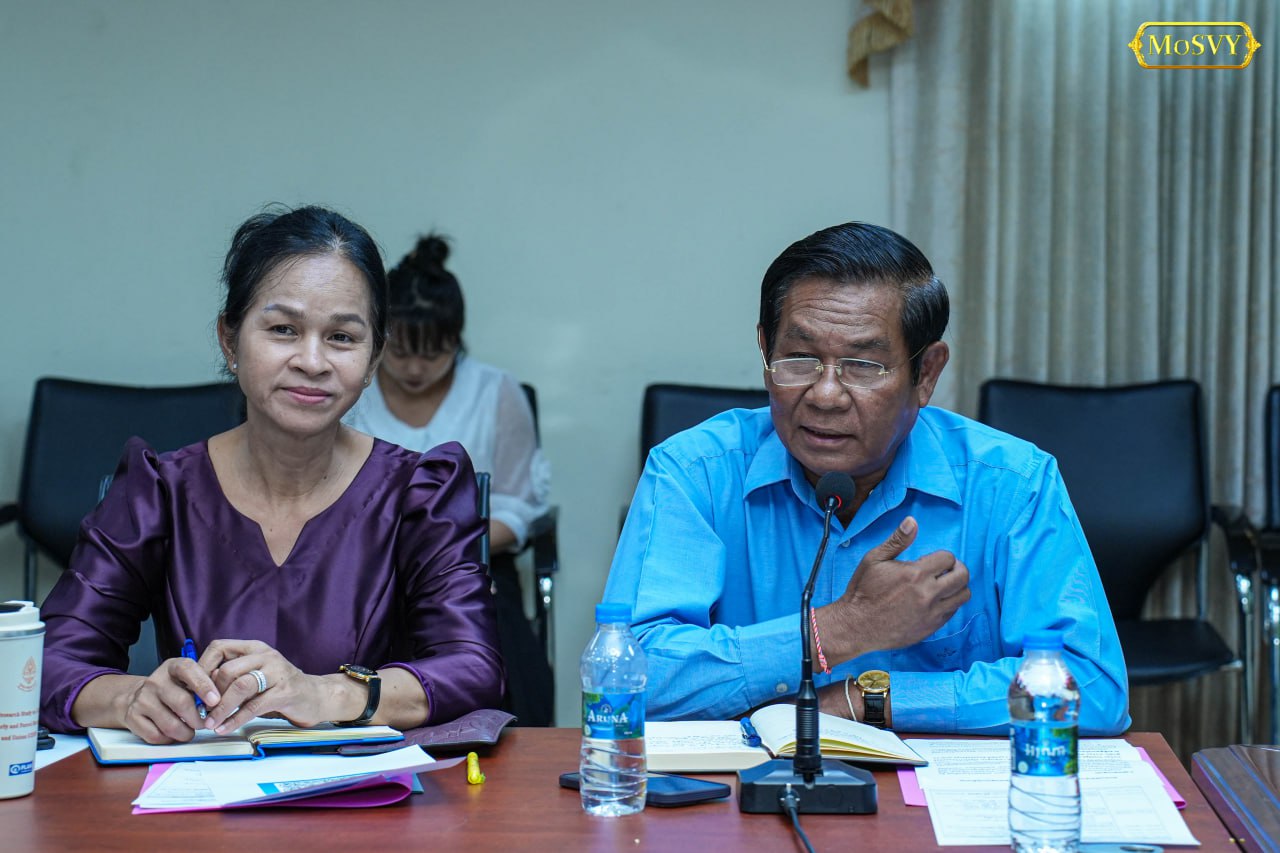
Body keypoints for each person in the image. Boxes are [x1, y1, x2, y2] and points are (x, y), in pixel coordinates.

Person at [604, 222, 1129, 736]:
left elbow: (1091, 686)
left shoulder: (1011, 484)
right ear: (765, 350)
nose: (825, 395)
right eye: (799, 358)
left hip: (933, 788)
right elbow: (625, 676)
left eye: (862, 365)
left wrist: (869, 700)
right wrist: (840, 628)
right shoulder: (694, 473)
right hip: (746, 781)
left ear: (926, 374)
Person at [40, 206, 504, 743]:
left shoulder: (419, 493)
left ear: (374, 358)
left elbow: (474, 668)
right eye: (283, 329)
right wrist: (131, 697)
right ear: (230, 339)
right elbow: (48, 664)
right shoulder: (160, 491)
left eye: (342, 337)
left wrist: (324, 694)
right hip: (198, 788)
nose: (312, 361)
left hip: (371, 789)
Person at [343, 233, 553, 726]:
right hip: (366, 573)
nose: (416, 369)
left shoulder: (495, 392)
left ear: (457, 340)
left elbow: (518, 507)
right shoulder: (350, 390)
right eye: (401, 352)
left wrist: (439, 548)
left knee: (499, 665)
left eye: (434, 353)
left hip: (473, 569)